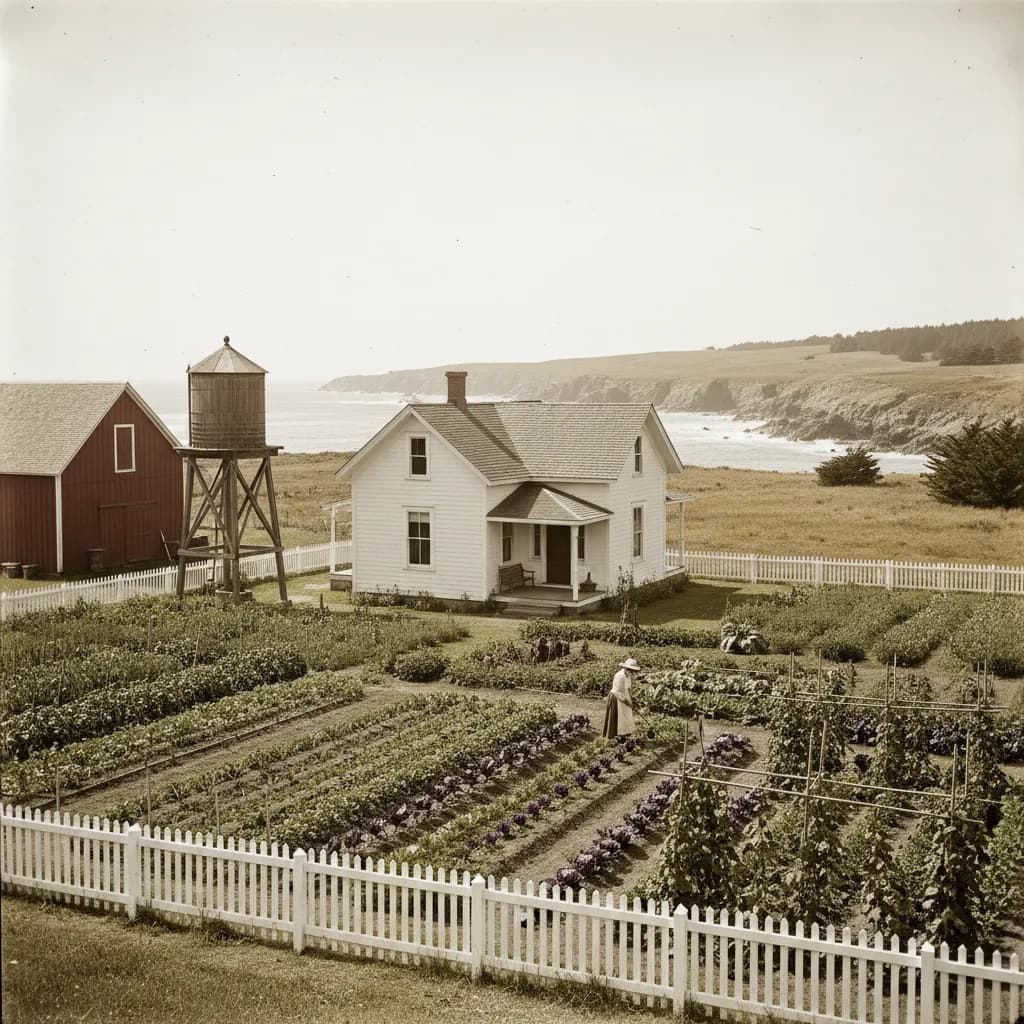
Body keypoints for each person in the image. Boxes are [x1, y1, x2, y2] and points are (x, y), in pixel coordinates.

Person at [602, 657, 639, 739]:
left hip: (624, 696)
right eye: (630, 670)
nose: (632, 673)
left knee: (626, 715)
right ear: (625, 668)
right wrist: (627, 702)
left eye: (633, 671)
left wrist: (631, 700)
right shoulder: (619, 676)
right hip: (616, 698)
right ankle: (613, 736)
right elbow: (618, 692)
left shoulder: (628, 676)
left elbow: (628, 688)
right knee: (618, 717)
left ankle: (624, 734)